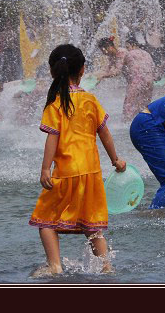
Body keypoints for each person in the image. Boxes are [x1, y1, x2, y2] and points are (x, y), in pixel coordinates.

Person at [30, 44, 126, 276]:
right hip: (91, 172)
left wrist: (45, 169)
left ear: (53, 72)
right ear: (83, 69)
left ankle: (55, 266)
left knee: (45, 220)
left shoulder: (56, 103)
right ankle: (105, 266)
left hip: (65, 172)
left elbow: (52, 138)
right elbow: (104, 133)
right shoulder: (90, 100)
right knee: (92, 224)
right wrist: (116, 160)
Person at [96, 35, 155, 122]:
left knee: (128, 110)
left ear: (108, 47)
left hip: (136, 83)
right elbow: (107, 68)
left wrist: (103, 76)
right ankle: (145, 126)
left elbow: (117, 71)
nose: (103, 53)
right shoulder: (113, 55)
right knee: (143, 107)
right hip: (148, 82)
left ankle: (127, 128)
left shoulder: (121, 53)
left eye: (103, 50)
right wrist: (96, 77)